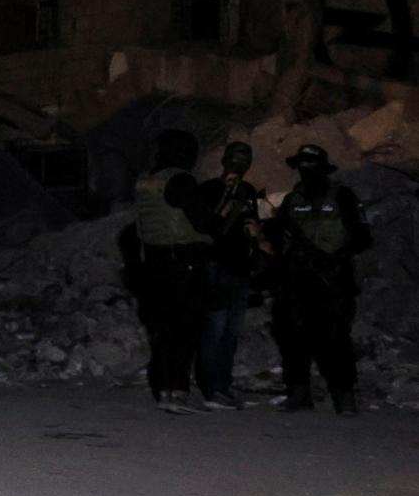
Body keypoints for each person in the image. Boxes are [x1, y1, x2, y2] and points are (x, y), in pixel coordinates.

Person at [265, 144, 373, 416]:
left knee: (335, 340)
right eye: (302, 165)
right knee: (293, 339)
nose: (306, 171)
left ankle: (344, 396)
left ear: (323, 168)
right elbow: (278, 239)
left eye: (311, 165)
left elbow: (362, 237)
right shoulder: (292, 200)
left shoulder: (342, 196)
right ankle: (299, 393)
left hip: (333, 281)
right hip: (296, 281)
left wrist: (334, 259)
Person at [132, 129, 216, 416]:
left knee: (164, 332)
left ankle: (165, 392)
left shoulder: (146, 182)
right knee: (185, 330)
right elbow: (203, 222)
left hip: (155, 266)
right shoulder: (179, 180)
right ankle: (178, 393)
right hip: (184, 264)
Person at [195, 142, 265, 410]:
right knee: (214, 329)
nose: (240, 164)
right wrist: (227, 197)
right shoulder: (210, 190)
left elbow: (254, 223)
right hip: (216, 266)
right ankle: (211, 388)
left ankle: (223, 385)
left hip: (240, 268)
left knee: (231, 333)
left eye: (244, 159)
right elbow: (209, 226)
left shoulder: (248, 192)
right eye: (236, 159)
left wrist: (256, 234)